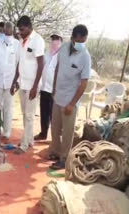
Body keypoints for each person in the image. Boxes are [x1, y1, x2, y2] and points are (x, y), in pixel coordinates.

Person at [49, 25, 91, 170]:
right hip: (58, 96)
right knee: (54, 127)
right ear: (73, 38)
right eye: (79, 41)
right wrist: (53, 88)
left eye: (84, 41)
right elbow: (57, 68)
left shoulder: (85, 56)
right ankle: (55, 151)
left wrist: (72, 104)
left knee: (67, 132)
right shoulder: (64, 47)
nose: (81, 44)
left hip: (70, 100)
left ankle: (64, 158)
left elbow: (84, 83)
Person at [10, 15, 45, 155]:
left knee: (30, 115)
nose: (21, 32)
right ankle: (29, 139)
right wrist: (14, 80)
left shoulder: (38, 41)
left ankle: (24, 145)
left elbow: (41, 64)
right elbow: (20, 62)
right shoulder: (21, 41)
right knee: (25, 114)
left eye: (23, 29)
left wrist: (35, 86)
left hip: (32, 84)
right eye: (19, 30)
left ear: (30, 27)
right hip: (22, 82)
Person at [0, 22, 19, 141]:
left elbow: (18, 64)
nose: (7, 31)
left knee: (8, 107)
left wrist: (16, 82)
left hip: (10, 82)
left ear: (12, 30)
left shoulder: (17, 45)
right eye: (5, 29)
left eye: (9, 29)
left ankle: (6, 132)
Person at [34, 33, 63, 141]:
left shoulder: (61, 55)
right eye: (52, 39)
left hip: (54, 90)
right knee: (44, 112)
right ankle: (43, 133)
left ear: (61, 40)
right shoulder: (48, 53)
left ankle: (55, 139)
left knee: (53, 115)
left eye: (56, 39)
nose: (54, 41)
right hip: (44, 87)